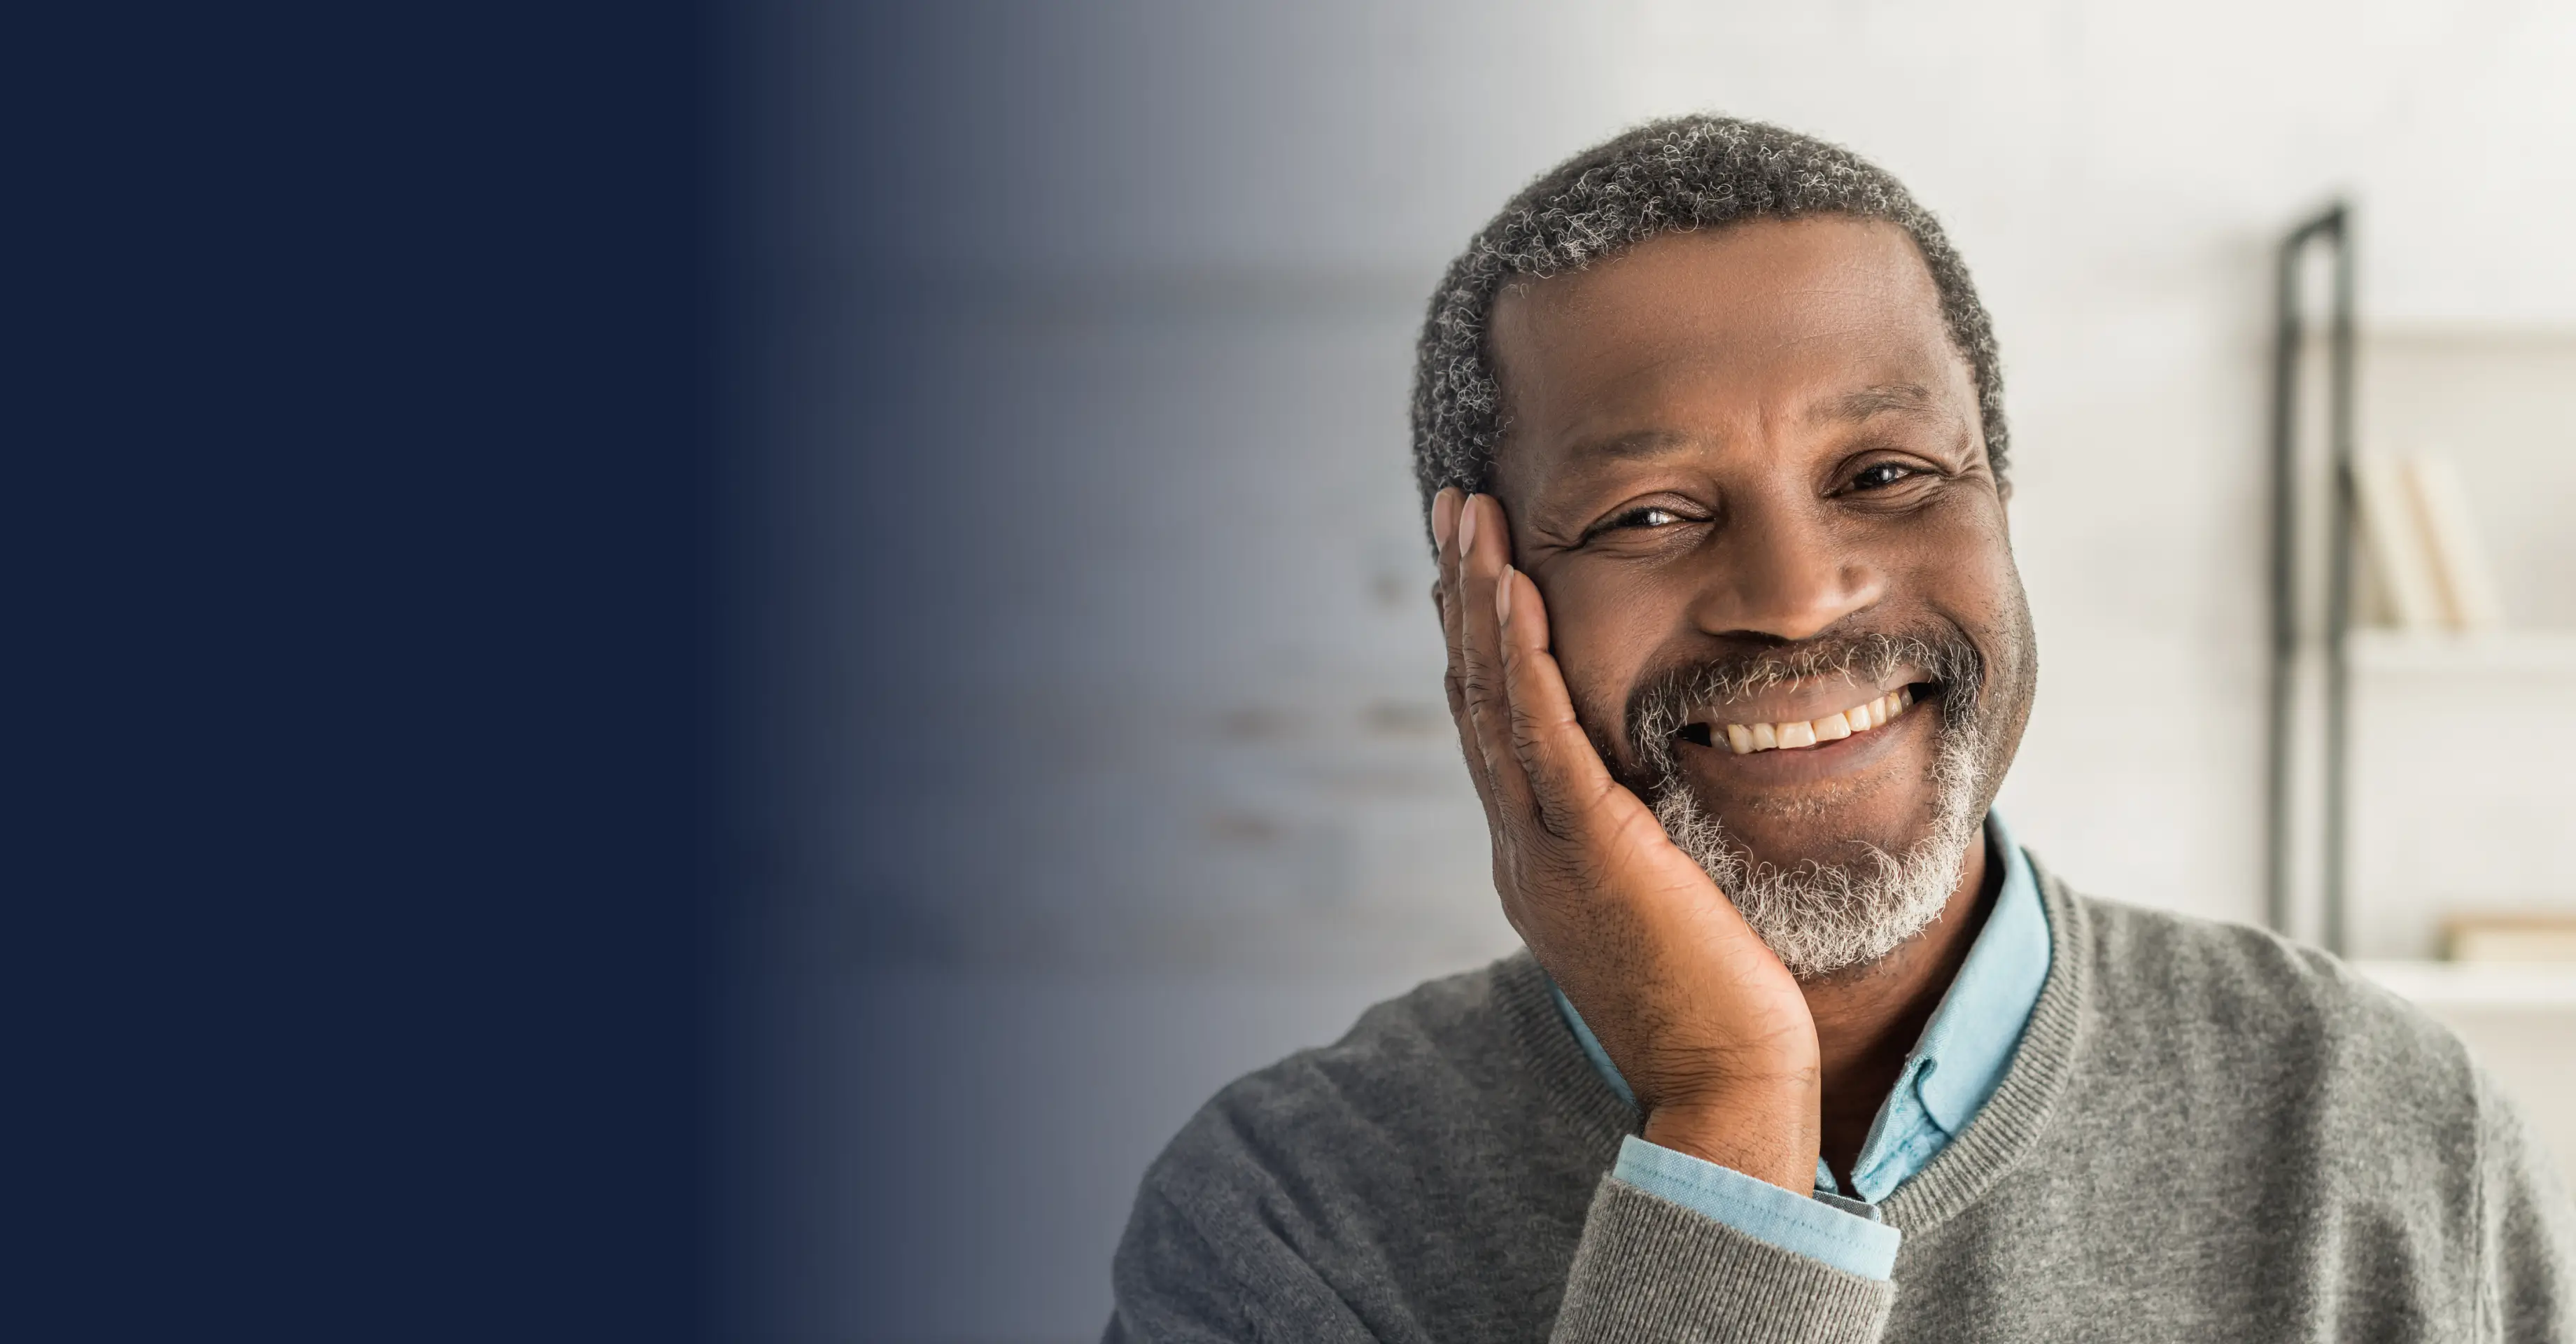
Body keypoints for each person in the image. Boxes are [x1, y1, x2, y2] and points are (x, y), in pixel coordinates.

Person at [1103, 115, 2576, 1342]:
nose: (1799, 599)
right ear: (1481, 607)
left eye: (1882, 475)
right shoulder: (1286, 1217)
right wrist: (1730, 1115)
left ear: (2000, 499)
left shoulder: (2381, 1129)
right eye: (1651, 514)